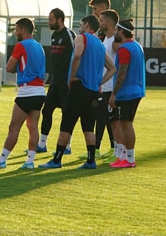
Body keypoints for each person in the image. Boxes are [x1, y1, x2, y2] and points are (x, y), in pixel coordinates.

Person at [39, 15, 116, 170]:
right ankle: (90, 160)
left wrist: (72, 76)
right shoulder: (100, 45)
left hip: (79, 88)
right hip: (93, 92)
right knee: (88, 127)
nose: (79, 27)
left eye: (81, 24)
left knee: (67, 123)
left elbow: (78, 55)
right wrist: (98, 82)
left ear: (87, 25)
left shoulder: (81, 38)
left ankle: (57, 159)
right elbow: (112, 68)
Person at [0, 18, 46, 170]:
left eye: (17, 29)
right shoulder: (40, 47)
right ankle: (30, 161)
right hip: (40, 91)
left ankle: (2, 160)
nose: (15, 32)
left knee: (14, 127)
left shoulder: (21, 45)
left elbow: (9, 67)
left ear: (23, 30)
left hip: (26, 91)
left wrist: (20, 68)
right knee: (33, 127)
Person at [108, 19, 145, 168]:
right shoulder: (137, 46)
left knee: (126, 124)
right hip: (135, 90)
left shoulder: (124, 49)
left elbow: (122, 74)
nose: (115, 33)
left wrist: (113, 94)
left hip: (127, 92)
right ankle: (124, 157)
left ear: (122, 32)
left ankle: (130, 160)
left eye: (117, 30)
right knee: (123, 124)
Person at [38, 8, 75, 153]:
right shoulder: (54, 35)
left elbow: (76, 56)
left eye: (51, 19)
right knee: (46, 111)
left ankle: (67, 146)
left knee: (67, 114)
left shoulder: (69, 35)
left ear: (60, 19)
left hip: (66, 83)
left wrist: (71, 79)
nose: (49, 22)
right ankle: (42, 144)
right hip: (55, 82)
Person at [95, 10, 120, 156]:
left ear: (109, 23)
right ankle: (105, 148)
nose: (99, 23)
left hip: (110, 87)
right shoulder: (105, 40)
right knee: (104, 118)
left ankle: (105, 149)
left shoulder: (115, 42)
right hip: (104, 86)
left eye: (101, 20)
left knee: (107, 119)